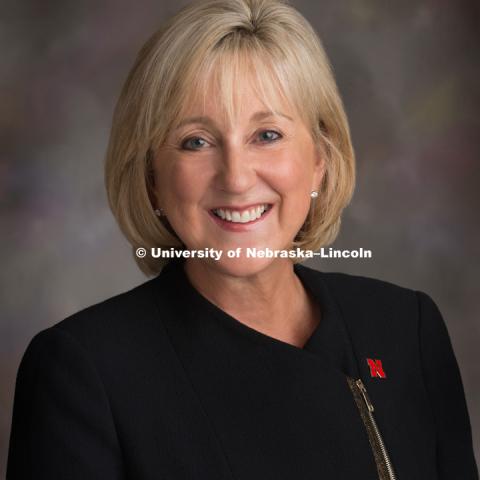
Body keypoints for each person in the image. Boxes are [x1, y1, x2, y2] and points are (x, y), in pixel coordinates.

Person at [7, 0, 478, 479]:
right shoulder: (85, 371)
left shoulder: (408, 330)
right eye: (196, 141)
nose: (235, 178)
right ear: (152, 179)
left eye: (267, 134)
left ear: (320, 159)